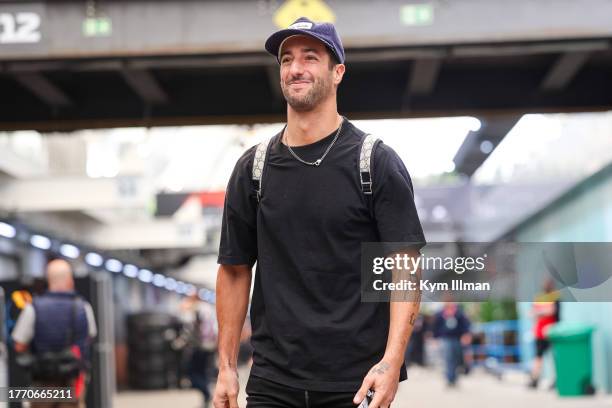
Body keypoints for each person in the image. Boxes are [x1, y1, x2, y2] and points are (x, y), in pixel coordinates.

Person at [214, 16, 425, 408]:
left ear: (338, 71)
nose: (296, 69)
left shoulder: (375, 162)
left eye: (310, 57)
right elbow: (234, 268)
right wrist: (226, 365)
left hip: (357, 384)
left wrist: (392, 362)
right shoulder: (253, 170)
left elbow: (405, 268)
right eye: (287, 59)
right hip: (272, 382)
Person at [12, 259, 97, 407]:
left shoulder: (33, 308)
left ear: (48, 280)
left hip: (42, 381)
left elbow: (19, 345)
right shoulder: (83, 307)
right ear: (70, 280)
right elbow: (89, 338)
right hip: (73, 381)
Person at [528, 278, 560, 389]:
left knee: (555, 357)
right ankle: (534, 379)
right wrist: (543, 312)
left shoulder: (554, 297)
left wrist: (540, 312)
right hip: (542, 332)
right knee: (539, 357)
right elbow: (532, 313)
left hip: (553, 332)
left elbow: (552, 311)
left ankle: (557, 379)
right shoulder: (541, 298)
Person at [432, 302, 471, 387]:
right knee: (448, 358)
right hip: (445, 339)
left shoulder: (459, 313)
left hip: (457, 339)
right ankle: (450, 378)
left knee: (457, 358)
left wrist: (466, 335)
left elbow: (465, 326)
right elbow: (436, 327)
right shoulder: (440, 314)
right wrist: (435, 338)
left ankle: (455, 378)